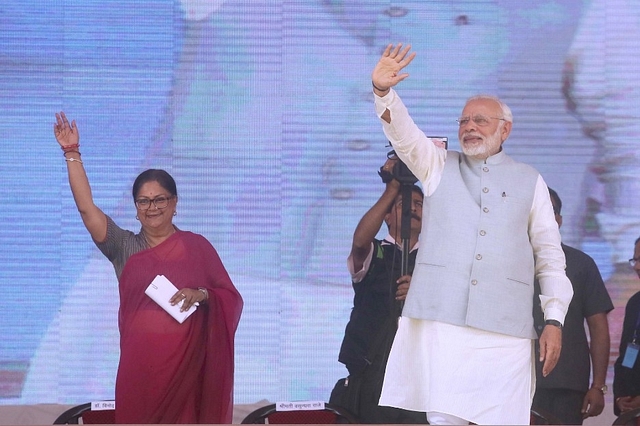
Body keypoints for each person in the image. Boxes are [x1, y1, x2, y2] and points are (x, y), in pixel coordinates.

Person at [369, 44, 574, 425]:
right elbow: (405, 137)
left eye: (480, 120)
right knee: (444, 421)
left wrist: (554, 320)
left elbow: (549, 256)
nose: (470, 127)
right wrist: (384, 93)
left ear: (504, 129)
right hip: (442, 325)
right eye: (464, 121)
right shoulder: (437, 166)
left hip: (505, 333)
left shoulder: (530, 179)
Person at [53, 111, 243, 424]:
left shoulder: (198, 247)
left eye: (159, 200)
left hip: (188, 376)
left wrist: (203, 294)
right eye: (143, 201)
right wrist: (71, 153)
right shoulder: (123, 246)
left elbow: (230, 297)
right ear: (136, 208)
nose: (152, 207)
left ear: (174, 203)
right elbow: (87, 211)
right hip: (139, 373)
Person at [330, 156, 427, 424]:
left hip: (420, 377)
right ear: (386, 215)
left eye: (419, 204)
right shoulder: (376, 251)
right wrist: (392, 188)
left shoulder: (436, 262)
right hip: (370, 375)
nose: (413, 209)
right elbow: (360, 242)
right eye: (403, 205)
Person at [532, 188, 613, 425]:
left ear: (559, 219)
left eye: (549, 211)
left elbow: (599, 328)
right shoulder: (507, 262)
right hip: (513, 378)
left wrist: (598, 386)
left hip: (566, 383)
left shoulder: (581, 263)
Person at [613, 236, 640, 416]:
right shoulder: (634, 303)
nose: (637, 267)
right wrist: (620, 397)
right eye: (635, 260)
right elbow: (627, 354)